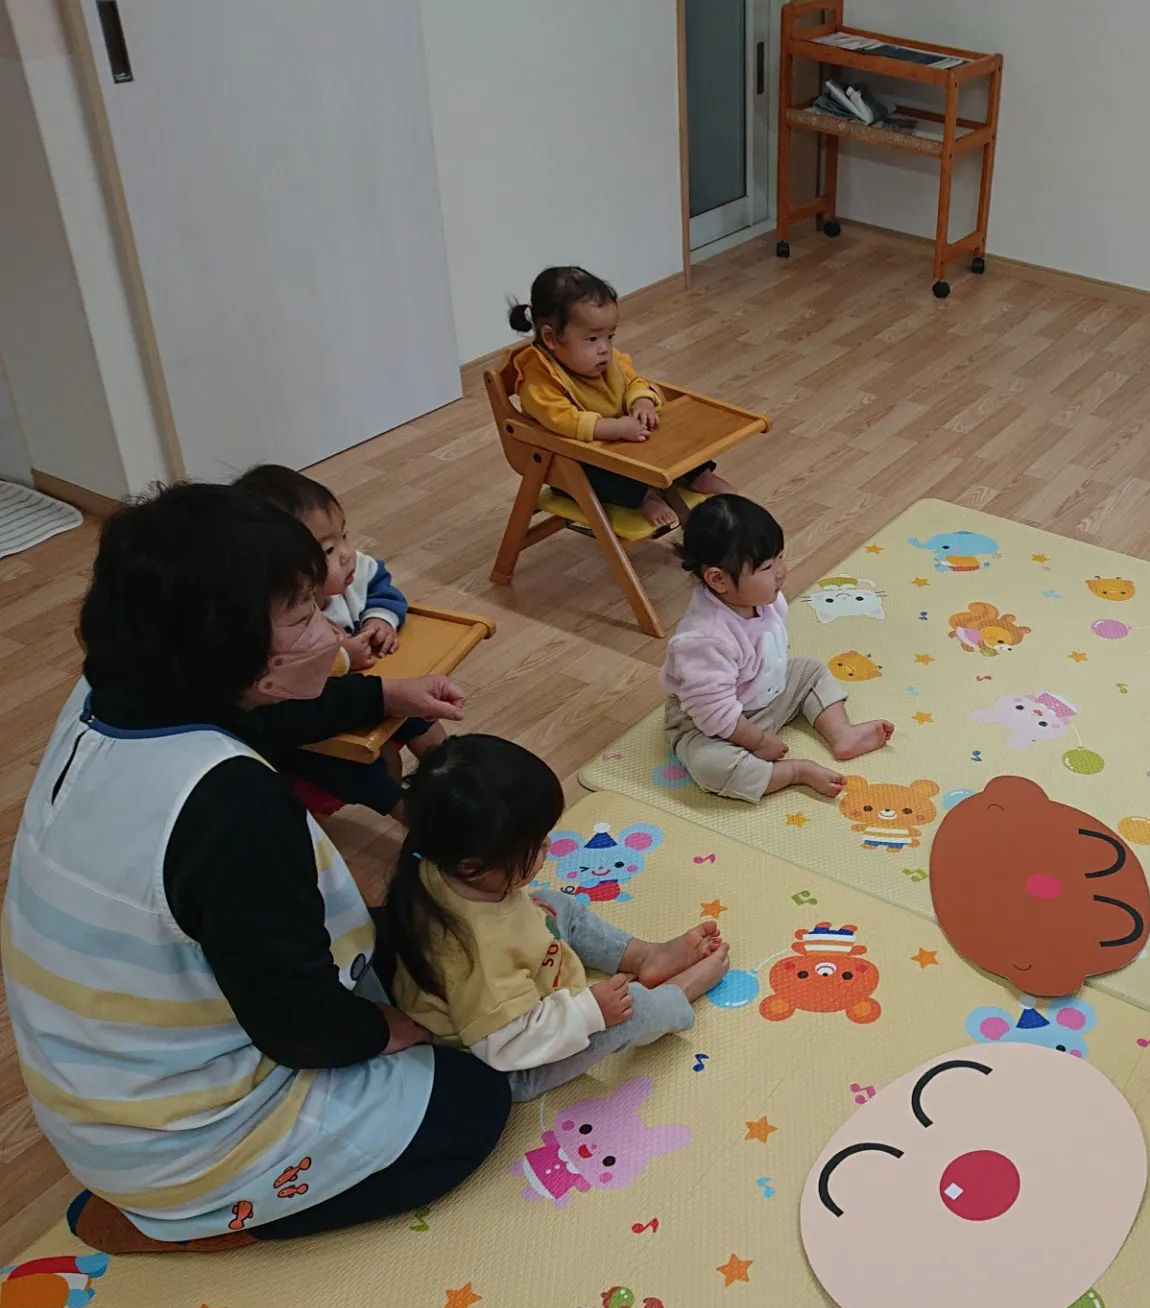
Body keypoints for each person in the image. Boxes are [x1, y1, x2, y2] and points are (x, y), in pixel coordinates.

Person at [5, 482, 506, 1255]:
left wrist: (384, 694)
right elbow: (296, 1025)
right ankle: (198, 1221)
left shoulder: (118, 689)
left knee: (414, 936)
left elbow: (274, 714)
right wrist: (389, 1030)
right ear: (236, 655)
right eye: (303, 617)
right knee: (474, 1101)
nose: (329, 631)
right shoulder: (232, 805)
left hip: (105, 1079)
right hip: (180, 1142)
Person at [385, 735, 730, 1100]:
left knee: (552, 903)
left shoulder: (441, 861)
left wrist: (530, 915)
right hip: (511, 1058)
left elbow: (505, 916)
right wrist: (590, 1013)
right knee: (633, 1007)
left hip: (518, 989)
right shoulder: (478, 959)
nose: (548, 847)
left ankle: (644, 956)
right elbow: (508, 1045)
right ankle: (679, 993)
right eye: (535, 846)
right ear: (473, 866)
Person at [232, 463, 445, 817]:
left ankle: (456, 774)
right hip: (308, 729)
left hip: (357, 693)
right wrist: (340, 658)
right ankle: (412, 815)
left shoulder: (350, 575)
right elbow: (278, 699)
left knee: (422, 715)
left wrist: (380, 619)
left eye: (344, 536)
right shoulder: (264, 616)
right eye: (328, 549)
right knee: (369, 766)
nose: (347, 553)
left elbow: (381, 588)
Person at [661, 494, 893, 802]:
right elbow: (713, 712)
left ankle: (842, 732)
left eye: (781, 557)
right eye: (768, 566)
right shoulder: (704, 639)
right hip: (710, 723)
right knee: (711, 766)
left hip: (762, 692)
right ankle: (795, 772)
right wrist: (757, 741)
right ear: (718, 579)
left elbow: (772, 638)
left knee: (811, 670)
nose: (781, 571)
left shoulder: (762, 598)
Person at [508, 265, 733, 532]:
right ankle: (644, 498)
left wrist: (642, 402)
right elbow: (564, 421)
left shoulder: (606, 361)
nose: (605, 348)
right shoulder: (539, 380)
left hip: (620, 444)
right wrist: (616, 428)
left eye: (610, 336)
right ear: (551, 337)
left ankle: (699, 475)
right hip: (569, 462)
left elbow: (633, 381)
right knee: (600, 474)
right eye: (592, 338)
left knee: (672, 434)